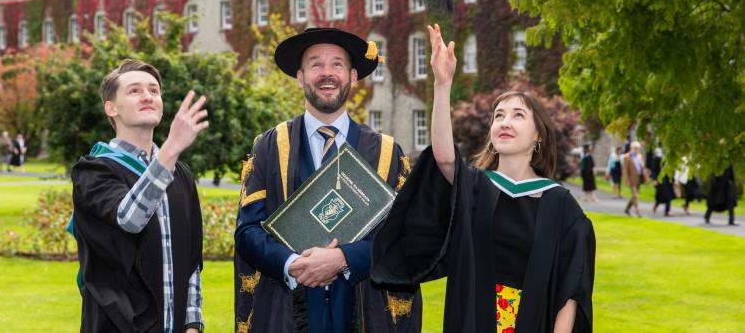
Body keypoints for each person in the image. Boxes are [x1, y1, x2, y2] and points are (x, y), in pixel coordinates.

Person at [371, 24, 595, 333]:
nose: (505, 121)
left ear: (538, 136)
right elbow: (445, 158)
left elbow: (571, 289)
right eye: (499, 115)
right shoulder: (476, 188)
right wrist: (442, 84)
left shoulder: (560, 205)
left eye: (518, 115)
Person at [234, 27, 421, 333]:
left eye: (337, 64)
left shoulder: (386, 153)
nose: (327, 73)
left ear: (352, 76)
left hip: (363, 309)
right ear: (300, 77)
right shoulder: (270, 146)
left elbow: (403, 237)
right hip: (288, 311)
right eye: (315, 64)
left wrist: (343, 258)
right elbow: (248, 232)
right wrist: (292, 264)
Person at [70, 59, 206, 332]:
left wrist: (192, 323)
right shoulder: (93, 170)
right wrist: (170, 150)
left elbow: (192, 259)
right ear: (111, 108)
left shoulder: (180, 175)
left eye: (154, 91)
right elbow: (129, 218)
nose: (147, 96)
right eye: (134, 91)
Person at [622, 141, 646, 217]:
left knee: (634, 196)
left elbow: (642, 167)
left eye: (638, 148)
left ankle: (627, 209)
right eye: (635, 148)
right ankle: (638, 212)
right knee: (635, 196)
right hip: (631, 179)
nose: (637, 150)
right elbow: (625, 170)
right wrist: (626, 179)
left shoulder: (639, 156)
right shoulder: (627, 157)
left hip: (639, 178)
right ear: (631, 148)